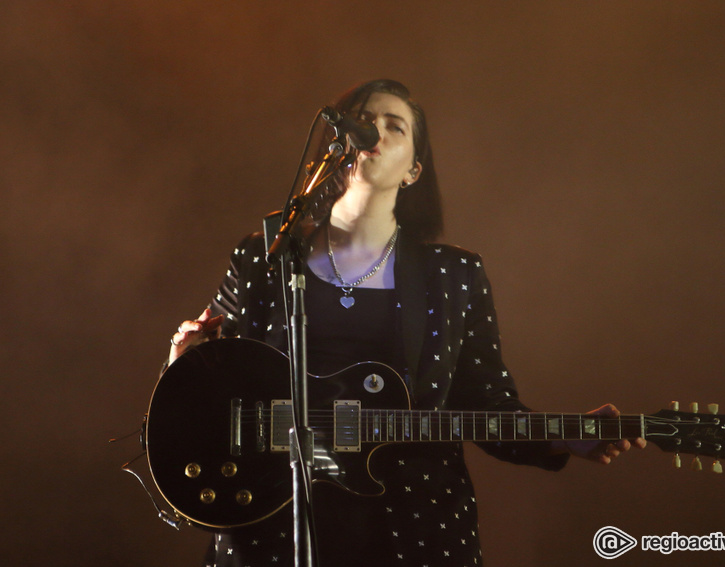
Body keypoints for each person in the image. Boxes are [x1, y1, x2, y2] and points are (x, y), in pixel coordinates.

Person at [164, 79, 645, 567]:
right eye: (363, 118)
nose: (372, 129)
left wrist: (563, 436)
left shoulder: (453, 275)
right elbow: (215, 379)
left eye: (394, 126)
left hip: (411, 529)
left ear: (414, 170)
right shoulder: (266, 253)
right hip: (271, 525)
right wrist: (182, 368)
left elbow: (484, 402)